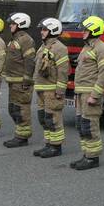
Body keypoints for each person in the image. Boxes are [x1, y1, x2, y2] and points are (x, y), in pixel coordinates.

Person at [70, 14, 104, 170]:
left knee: (89, 125)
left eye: (86, 30)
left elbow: (103, 74)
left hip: (90, 93)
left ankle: (93, 158)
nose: (83, 32)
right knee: (81, 124)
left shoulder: (102, 48)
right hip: (81, 92)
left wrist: (95, 95)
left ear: (94, 30)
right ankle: (86, 154)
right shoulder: (87, 47)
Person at [32, 17, 69, 158]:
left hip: (52, 90)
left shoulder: (60, 48)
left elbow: (63, 72)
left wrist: (60, 91)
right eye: (42, 29)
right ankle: (48, 143)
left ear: (53, 30)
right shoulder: (43, 47)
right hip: (41, 89)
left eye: (45, 29)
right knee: (44, 118)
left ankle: (56, 146)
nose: (42, 32)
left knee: (53, 118)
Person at [2, 12, 37, 148]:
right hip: (13, 81)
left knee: (21, 109)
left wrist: (27, 80)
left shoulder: (25, 40)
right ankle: (19, 134)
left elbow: (30, 61)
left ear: (21, 24)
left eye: (13, 23)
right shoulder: (15, 39)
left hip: (20, 82)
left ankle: (22, 137)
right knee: (13, 109)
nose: (10, 26)